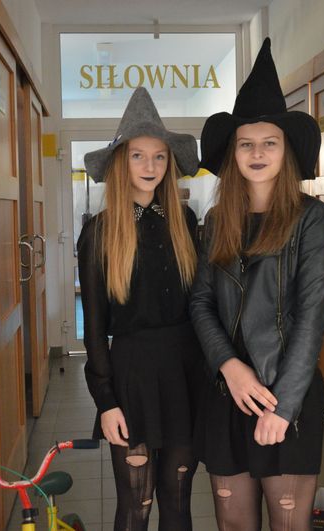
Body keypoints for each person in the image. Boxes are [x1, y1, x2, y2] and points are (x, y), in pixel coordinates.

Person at [190, 38, 324, 530]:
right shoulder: (216, 221)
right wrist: (229, 367)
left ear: (286, 150)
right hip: (227, 395)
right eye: (245, 143)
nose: (257, 152)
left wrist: (284, 406)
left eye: (269, 142)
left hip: (284, 398)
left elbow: (312, 318)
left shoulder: (311, 219)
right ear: (232, 153)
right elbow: (201, 303)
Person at [77, 87, 204, 530]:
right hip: (131, 377)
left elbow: (201, 305)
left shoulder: (185, 222)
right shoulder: (99, 232)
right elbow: (95, 327)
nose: (150, 166)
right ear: (121, 162)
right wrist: (106, 401)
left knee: (178, 499)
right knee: (137, 504)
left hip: (185, 373)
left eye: (159, 157)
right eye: (138, 156)